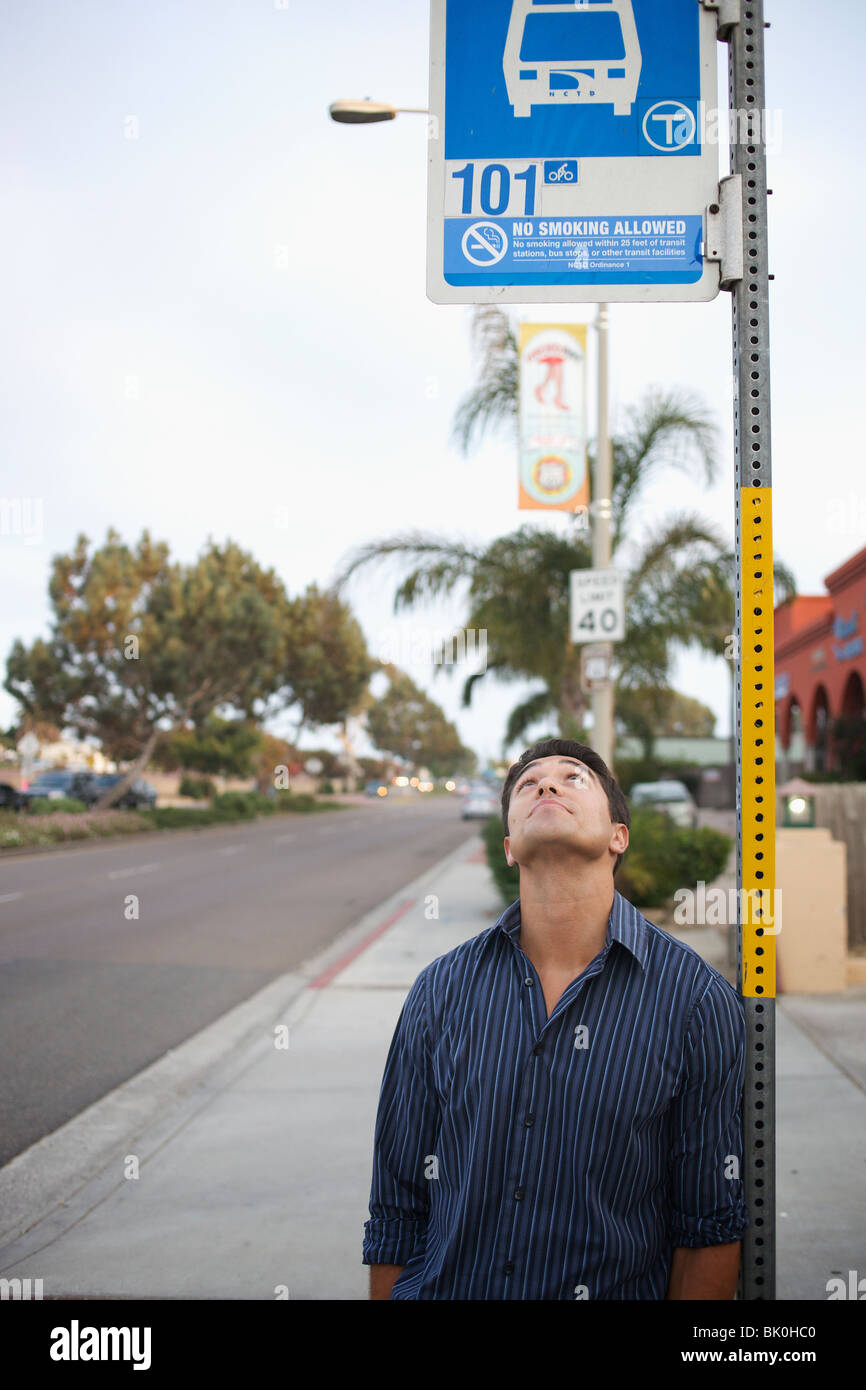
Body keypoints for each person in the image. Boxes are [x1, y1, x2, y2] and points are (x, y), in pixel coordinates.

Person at [362, 738, 748, 1300]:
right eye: (527, 784)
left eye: (573, 779)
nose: (546, 785)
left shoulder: (694, 999)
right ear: (510, 846)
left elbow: (708, 1225)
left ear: (619, 836)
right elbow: (397, 1206)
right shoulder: (440, 990)